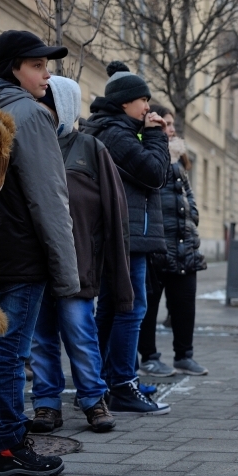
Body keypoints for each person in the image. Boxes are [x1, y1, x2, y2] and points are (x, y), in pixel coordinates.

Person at [0, 30, 78, 475]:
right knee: (7, 353)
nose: (47, 75)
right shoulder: (28, 113)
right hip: (19, 258)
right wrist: (67, 274)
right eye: (37, 66)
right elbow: (49, 199)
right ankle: (5, 446)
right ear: (13, 69)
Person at [29, 76, 129, 434]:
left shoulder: (90, 147)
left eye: (49, 102)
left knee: (79, 333)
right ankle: (45, 405)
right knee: (41, 339)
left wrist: (112, 267)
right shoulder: (30, 143)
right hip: (34, 262)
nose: (41, 108)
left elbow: (115, 213)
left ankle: (93, 400)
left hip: (79, 262)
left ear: (66, 106)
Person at [81, 61, 171, 415]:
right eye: (142, 100)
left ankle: (104, 381)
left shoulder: (113, 129)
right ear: (124, 103)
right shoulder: (116, 133)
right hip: (126, 237)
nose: (148, 107)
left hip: (124, 234)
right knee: (131, 309)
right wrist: (155, 136)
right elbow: (154, 174)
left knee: (112, 310)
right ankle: (121, 384)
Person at [139, 105, 208, 376]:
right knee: (149, 306)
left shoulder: (178, 160)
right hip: (158, 245)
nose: (171, 129)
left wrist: (194, 218)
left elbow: (188, 196)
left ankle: (184, 356)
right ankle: (149, 357)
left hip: (185, 245)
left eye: (172, 125)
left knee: (184, 305)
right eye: (166, 124)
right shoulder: (148, 157)